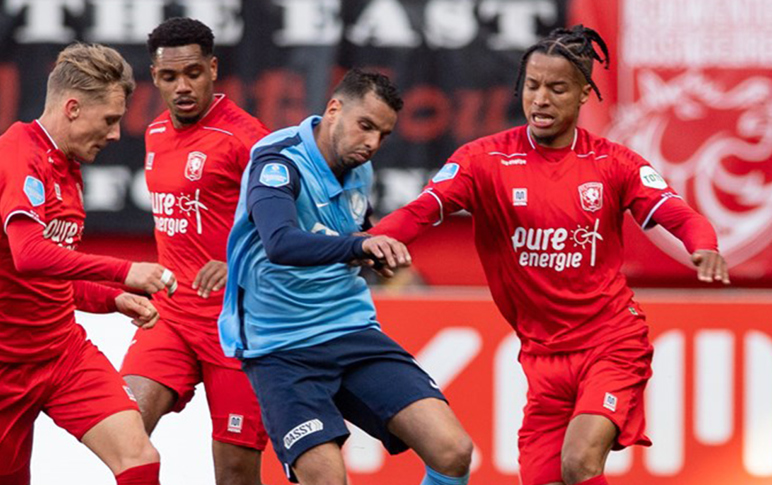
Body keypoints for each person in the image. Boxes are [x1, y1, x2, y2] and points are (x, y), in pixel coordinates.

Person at [370, 25, 731, 485]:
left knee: (579, 463)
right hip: (542, 359)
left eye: (557, 88)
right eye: (532, 86)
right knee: (543, 478)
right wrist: (370, 241)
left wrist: (704, 247)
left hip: (610, 343)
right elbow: (422, 210)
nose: (540, 99)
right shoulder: (484, 160)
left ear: (584, 94)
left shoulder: (613, 163)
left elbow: (678, 214)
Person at [218, 69, 473, 485]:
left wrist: (376, 255)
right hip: (279, 347)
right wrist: (359, 247)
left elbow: (354, 231)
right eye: (365, 126)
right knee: (328, 480)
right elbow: (280, 243)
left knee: (453, 451)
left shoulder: (359, 169)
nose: (372, 143)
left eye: (383, 135)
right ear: (334, 110)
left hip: (350, 330)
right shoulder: (279, 161)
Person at [0, 43, 178, 485]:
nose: (115, 134)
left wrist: (114, 299)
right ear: (72, 108)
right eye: (109, 120)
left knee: (139, 457)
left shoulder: (65, 165)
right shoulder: (17, 157)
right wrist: (124, 271)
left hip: (62, 351)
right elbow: (29, 255)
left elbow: (55, 272)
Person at [119, 17, 270, 485]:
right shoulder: (155, 132)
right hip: (171, 317)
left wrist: (238, 260)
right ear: (154, 76)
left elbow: (292, 225)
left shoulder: (248, 139)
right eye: (169, 76)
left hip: (238, 326)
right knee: (121, 430)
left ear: (213, 69)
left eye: (193, 73)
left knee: (235, 474)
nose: (182, 87)